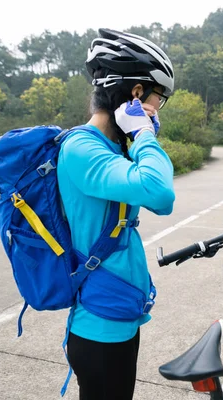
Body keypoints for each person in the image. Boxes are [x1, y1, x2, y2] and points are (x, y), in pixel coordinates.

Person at [57, 28, 175, 400]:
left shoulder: (110, 149)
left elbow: (153, 194)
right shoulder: (82, 149)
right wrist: (143, 135)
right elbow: (160, 192)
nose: (159, 109)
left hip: (119, 312)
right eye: (159, 98)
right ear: (136, 93)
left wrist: (137, 138)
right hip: (99, 324)